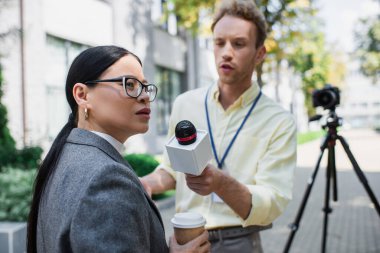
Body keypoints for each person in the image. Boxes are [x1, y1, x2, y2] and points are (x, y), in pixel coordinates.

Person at [140, 1, 297, 252]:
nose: (226, 52)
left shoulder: (279, 121)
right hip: (184, 238)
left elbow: (273, 201)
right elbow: (172, 169)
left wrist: (220, 183)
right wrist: (146, 184)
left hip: (240, 241)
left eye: (238, 43)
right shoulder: (185, 103)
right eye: (219, 42)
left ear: (260, 53)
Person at [26, 46, 210, 253]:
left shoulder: (64, 157)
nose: (144, 96)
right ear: (82, 95)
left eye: (145, 87)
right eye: (129, 84)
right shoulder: (106, 178)